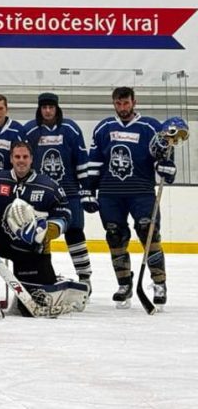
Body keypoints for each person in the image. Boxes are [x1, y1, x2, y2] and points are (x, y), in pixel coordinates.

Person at [0, 141, 86, 316]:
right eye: (17, 157)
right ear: (11, 159)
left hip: (31, 250)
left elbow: (65, 214)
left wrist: (48, 230)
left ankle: (56, 281)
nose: (21, 161)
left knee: (30, 309)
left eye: (25, 157)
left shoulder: (49, 186)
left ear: (32, 159)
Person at [86, 86, 175, 308]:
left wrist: (166, 167)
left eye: (126, 103)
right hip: (110, 192)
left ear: (134, 102)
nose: (122, 107)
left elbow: (161, 157)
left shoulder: (151, 127)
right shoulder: (104, 127)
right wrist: (88, 190)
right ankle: (124, 283)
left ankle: (159, 283)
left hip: (141, 190)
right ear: (113, 103)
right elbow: (95, 161)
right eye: (118, 103)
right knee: (115, 236)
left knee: (149, 233)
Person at [23, 92, 92, 287]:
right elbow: (22, 160)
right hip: (40, 195)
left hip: (69, 192)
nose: (47, 111)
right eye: (44, 107)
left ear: (56, 108)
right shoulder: (30, 130)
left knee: (75, 232)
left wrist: (86, 191)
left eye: (51, 107)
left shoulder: (70, 128)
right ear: (39, 109)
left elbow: (81, 161)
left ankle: (85, 277)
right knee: (39, 236)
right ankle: (43, 275)